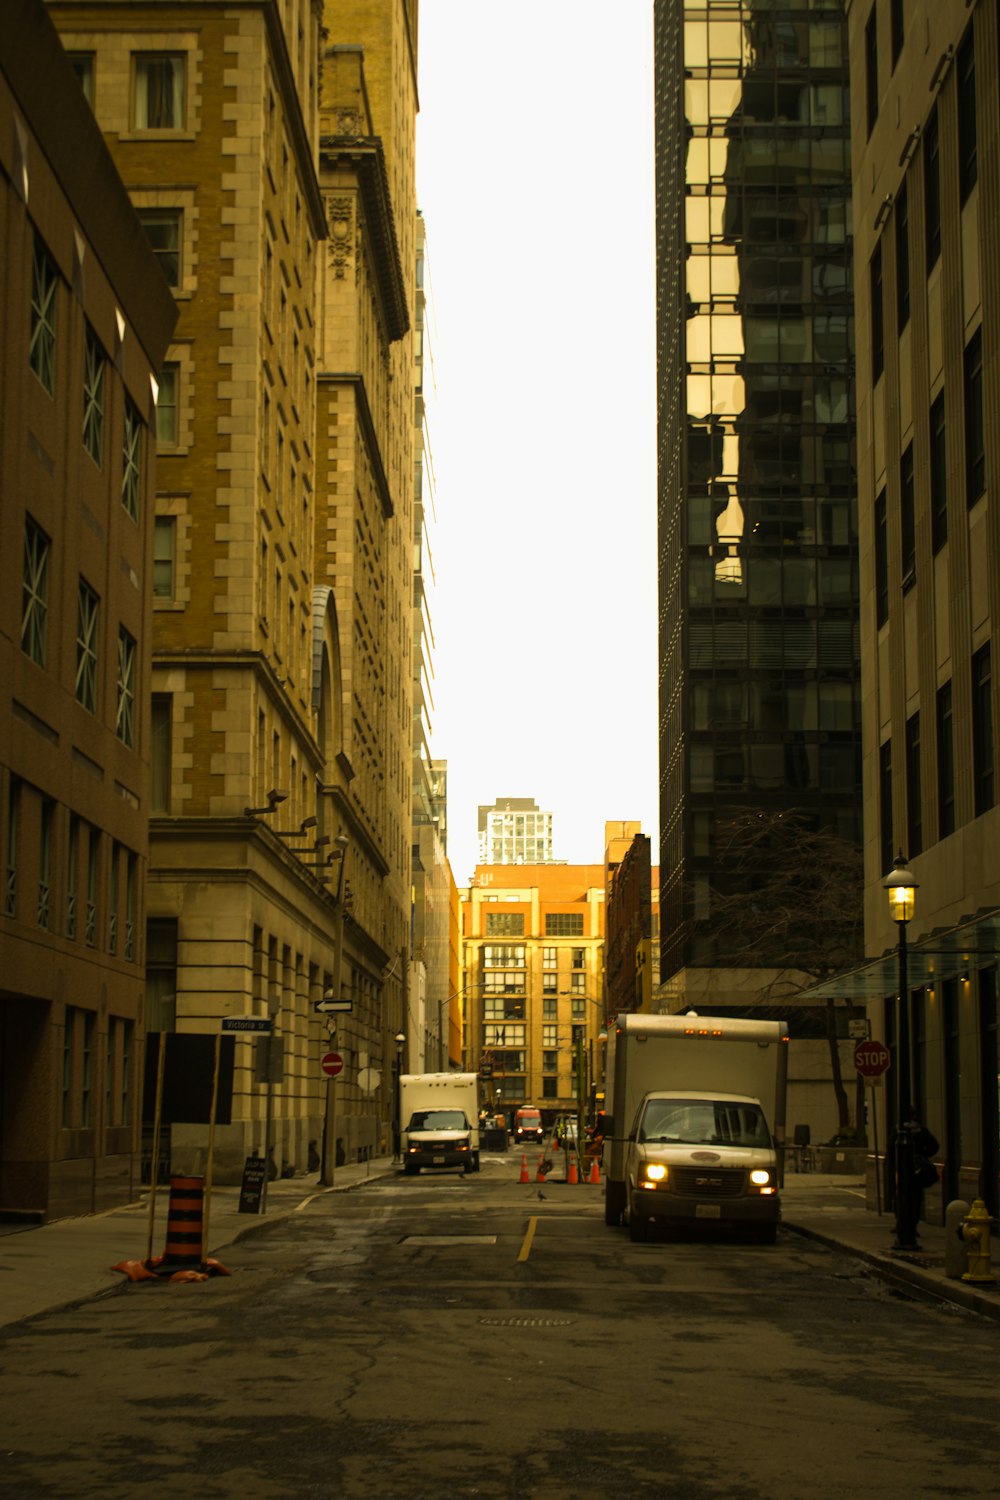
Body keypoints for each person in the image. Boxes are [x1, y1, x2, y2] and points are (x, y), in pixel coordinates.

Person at [899, 1107, 939, 1248]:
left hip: (906, 1170)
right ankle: (910, 1226)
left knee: (903, 1197)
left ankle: (904, 1226)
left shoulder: (900, 1132)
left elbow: (891, 1149)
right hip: (917, 1170)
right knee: (914, 1199)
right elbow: (934, 1146)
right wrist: (924, 1156)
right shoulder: (921, 1131)